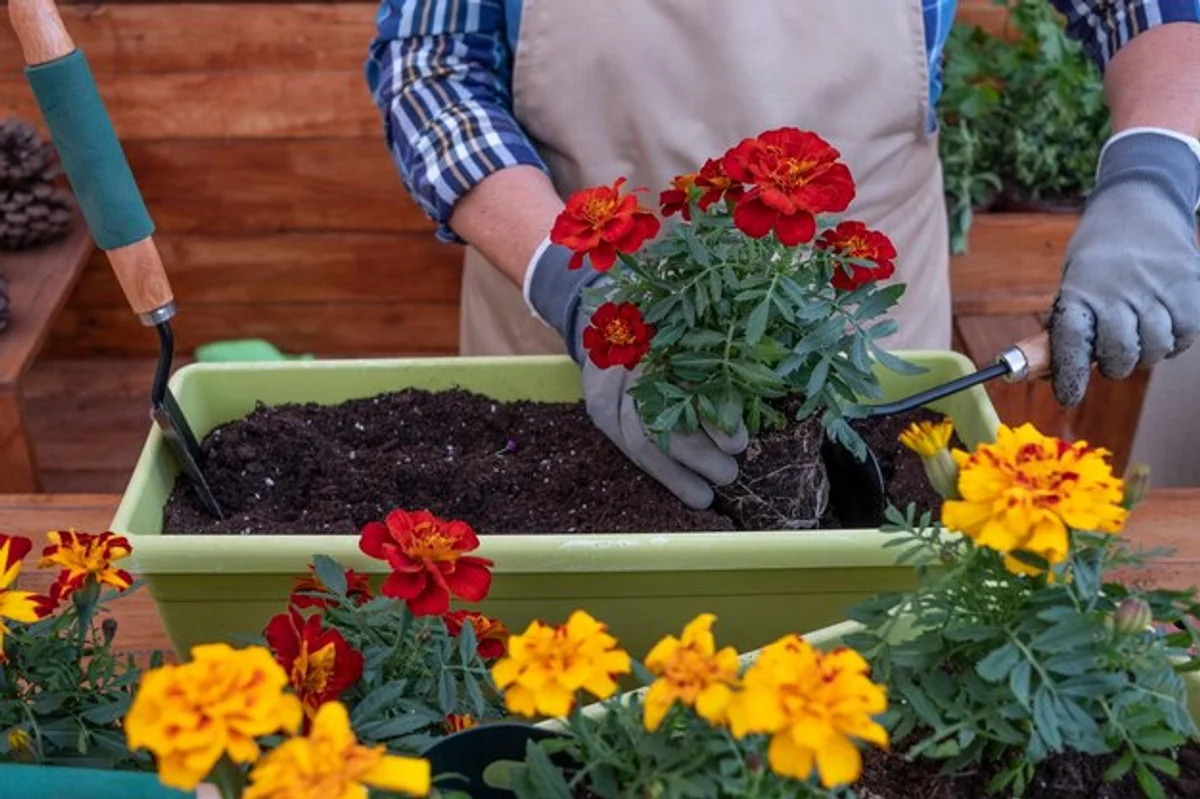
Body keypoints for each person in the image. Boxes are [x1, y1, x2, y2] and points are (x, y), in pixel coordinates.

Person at [365, 1, 1200, 506]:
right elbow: (431, 63)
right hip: (571, 309)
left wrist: (1154, 171)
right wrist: (574, 282)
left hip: (863, 325)